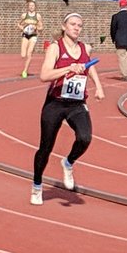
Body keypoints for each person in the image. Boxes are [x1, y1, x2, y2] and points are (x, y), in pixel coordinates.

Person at [29, 11, 100, 204]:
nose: (77, 28)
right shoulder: (55, 48)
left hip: (76, 103)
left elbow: (89, 66)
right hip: (56, 102)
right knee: (45, 148)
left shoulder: (85, 47)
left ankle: (68, 162)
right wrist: (68, 68)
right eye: (73, 24)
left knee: (85, 138)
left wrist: (99, 86)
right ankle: (37, 186)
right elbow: (44, 75)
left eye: (79, 25)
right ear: (64, 26)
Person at [17, 0, 42, 78]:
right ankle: (25, 67)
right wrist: (22, 28)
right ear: (27, 7)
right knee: (23, 55)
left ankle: (25, 70)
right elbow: (18, 24)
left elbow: (41, 27)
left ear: (35, 7)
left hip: (33, 35)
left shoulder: (38, 16)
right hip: (25, 34)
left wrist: (36, 27)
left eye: (33, 6)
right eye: (30, 6)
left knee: (29, 53)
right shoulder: (24, 15)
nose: (31, 7)